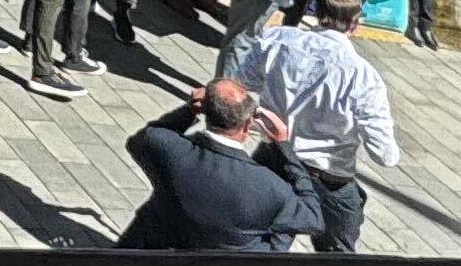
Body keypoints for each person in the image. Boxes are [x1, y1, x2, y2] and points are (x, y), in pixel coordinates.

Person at [224, 0, 401, 253]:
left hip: (274, 161)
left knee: (259, 245)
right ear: (354, 23)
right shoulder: (363, 77)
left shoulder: (277, 40)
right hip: (327, 180)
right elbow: (384, 156)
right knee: (337, 259)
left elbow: (242, 82)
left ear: (318, 12)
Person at [116, 77, 330, 252]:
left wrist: (188, 111)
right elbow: (313, 219)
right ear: (247, 125)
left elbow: (143, 139)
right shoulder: (271, 187)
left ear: (205, 111)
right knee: (284, 227)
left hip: (148, 257)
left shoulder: (167, 149)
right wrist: (284, 147)